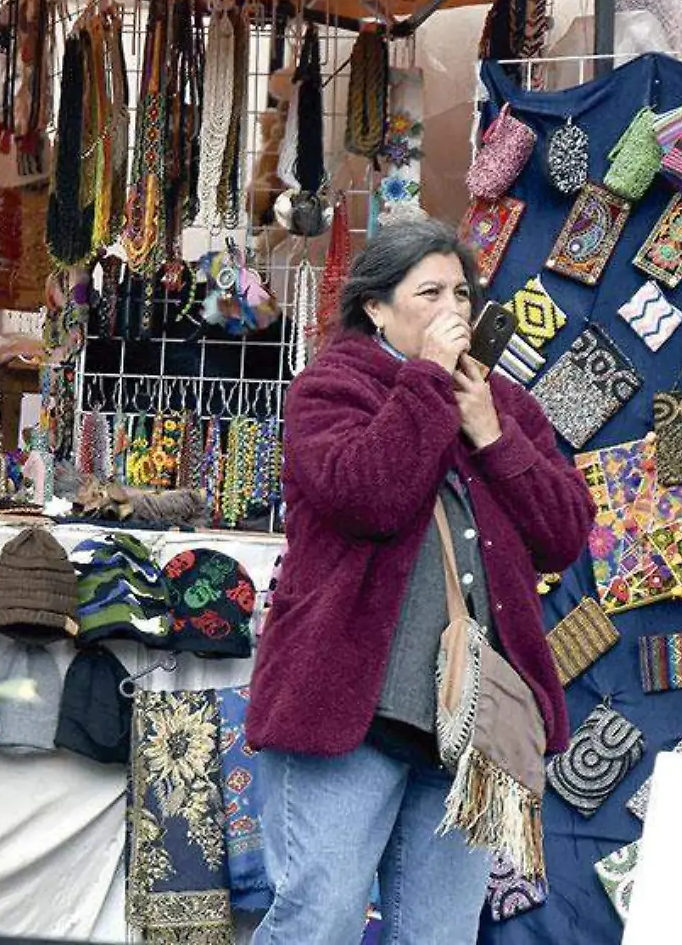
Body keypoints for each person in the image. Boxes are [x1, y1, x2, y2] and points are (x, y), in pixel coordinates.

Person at [247, 217, 595, 944]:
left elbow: (565, 533)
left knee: (438, 934)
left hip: (467, 730)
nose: (454, 312)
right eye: (429, 292)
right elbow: (367, 495)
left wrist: (494, 435)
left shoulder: (502, 405)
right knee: (322, 917)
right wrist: (429, 384)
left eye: (462, 295)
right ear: (376, 306)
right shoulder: (329, 389)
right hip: (350, 711)